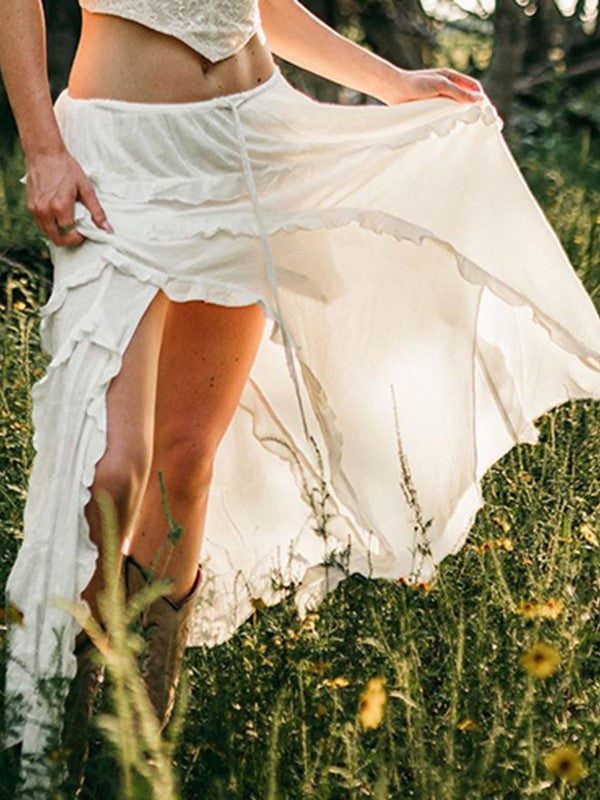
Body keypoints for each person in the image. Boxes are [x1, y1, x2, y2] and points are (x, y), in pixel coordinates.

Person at [3, 0, 600, 795]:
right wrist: (43, 149)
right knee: (112, 472)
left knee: (186, 462)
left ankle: (133, 762)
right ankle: (51, 757)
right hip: (123, 157)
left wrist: (390, 82)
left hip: (253, 141)